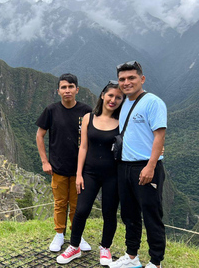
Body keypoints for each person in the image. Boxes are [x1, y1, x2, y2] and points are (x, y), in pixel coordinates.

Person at [57, 81, 124, 265]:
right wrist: (79, 174)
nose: (113, 100)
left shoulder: (122, 121)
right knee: (82, 210)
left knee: (109, 213)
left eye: (118, 97)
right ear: (102, 95)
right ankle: (75, 246)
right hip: (90, 173)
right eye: (110, 95)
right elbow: (83, 147)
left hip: (113, 174)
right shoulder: (88, 118)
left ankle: (105, 248)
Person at [109, 61, 167, 268]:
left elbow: (159, 136)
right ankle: (132, 256)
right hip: (124, 166)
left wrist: (150, 166)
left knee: (151, 215)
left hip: (146, 166)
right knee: (129, 214)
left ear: (142, 79)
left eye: (131, 78)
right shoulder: (124, 103)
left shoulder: (153, 102)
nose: (126, 82)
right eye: (122, 79)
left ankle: (155, 261)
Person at [36, 73, 93, 253]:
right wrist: (45, 162)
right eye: (63, 87)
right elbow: (40, 135)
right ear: (58, 90)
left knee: (77, 205)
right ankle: (59, 234)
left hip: (80, 170)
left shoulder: (86, 111)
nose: (67, 91)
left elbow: (95, 135)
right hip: (58, 168)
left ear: (77, 89)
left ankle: (77, 235)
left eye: (70, 87)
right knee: (60, 203)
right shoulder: (51, 110)